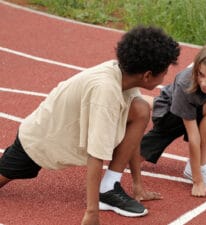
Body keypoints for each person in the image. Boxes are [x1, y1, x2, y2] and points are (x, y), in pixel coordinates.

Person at [0, 25, 180, 225]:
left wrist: (138, 186)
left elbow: (135, 133)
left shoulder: (124, 76)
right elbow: (96, 155)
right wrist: (92, 212)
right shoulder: (106, 92)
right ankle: (102, 195)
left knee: (141, 109)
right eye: (163, 73)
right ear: (147, 75)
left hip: (64, 133)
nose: (164, 78)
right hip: (39, 141)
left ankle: (109, 187)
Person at [139, 41, 206, 198]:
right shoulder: (186, 83)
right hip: (170, 113)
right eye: (200, 74)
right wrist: (198, 180)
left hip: (199, 109)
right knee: (128, 159)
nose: (204, 82)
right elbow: (193, 136)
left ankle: (200, 165)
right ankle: (135, 103)